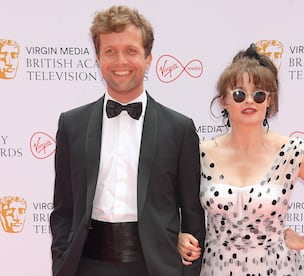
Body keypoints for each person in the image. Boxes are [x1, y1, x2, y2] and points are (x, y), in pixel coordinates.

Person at [50, 5, 205, 276]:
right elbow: (63, 210)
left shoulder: (179, 129)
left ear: (148, 58)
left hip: (155, 268)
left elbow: (193, 216)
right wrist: (62, 262)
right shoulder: (70, 125)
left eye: (131, 51)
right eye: (110, 51)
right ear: (98, 58)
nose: (120, 61)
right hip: (85, 266)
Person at [177, 43, 304, 275]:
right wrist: (178, 237)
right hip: (217, 269)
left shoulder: (291, 151)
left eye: (259, 94)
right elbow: (165, 206)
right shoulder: (200, 153)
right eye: (239, 94)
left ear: (269, 101)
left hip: (278, 267)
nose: (250, 101)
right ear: (224, 101)